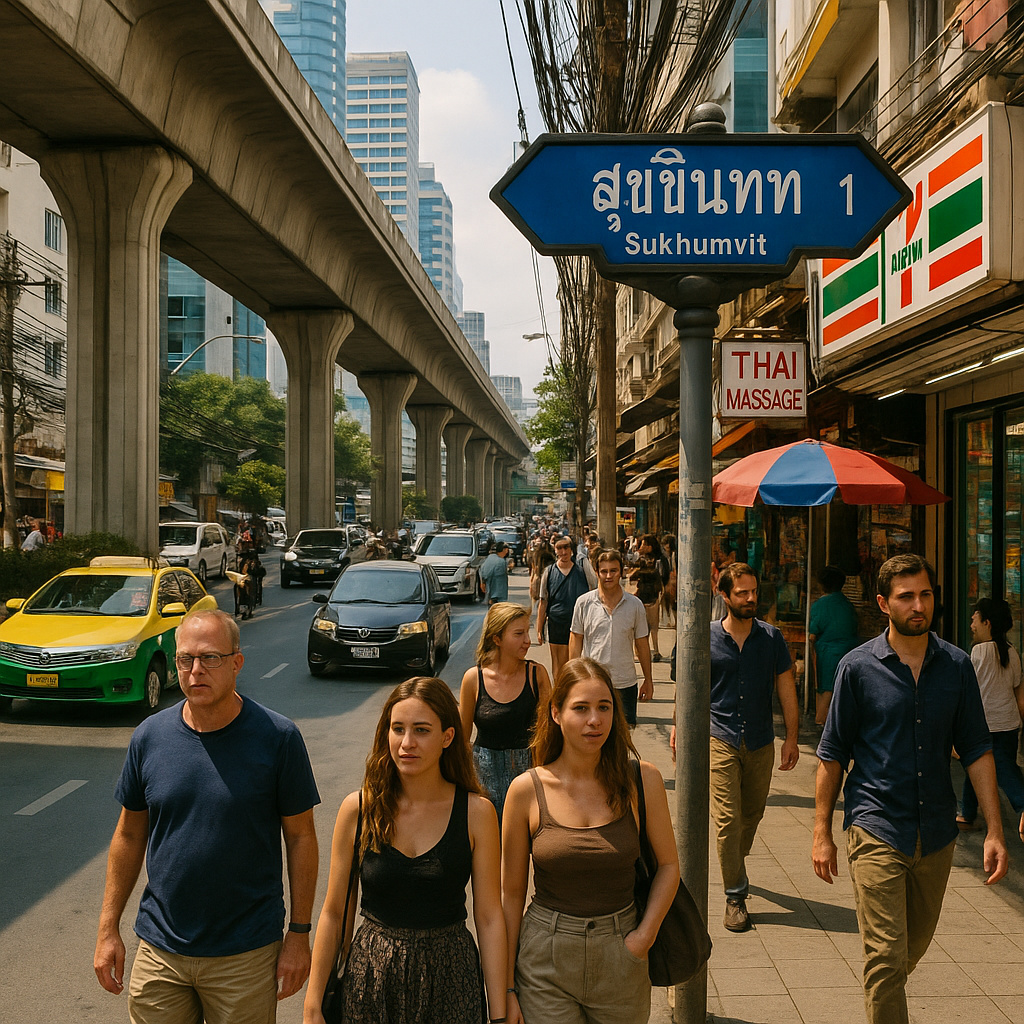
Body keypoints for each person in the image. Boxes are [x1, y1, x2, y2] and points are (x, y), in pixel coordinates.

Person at [94, 609, 320, 1022]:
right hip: (160, 952)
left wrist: (299, 936)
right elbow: (128, 836)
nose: (196, 670)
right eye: (185, 659)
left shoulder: (278, 738)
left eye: (210, 658)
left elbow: (302, 837)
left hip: (245, 955)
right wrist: (108, 929)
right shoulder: (150, 736)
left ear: (237, 662)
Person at [813, 554, 1009, 1024]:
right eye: (906, 597)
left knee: (907, 953)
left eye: (925, 595)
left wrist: (995, 831)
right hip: (876, 825)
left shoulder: (957, 666)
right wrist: (821, 831)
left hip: (937, 834)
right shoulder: (856, 668)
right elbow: (833, 753)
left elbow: (978, 748)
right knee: (884, 958)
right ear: (883, 603)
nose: (918, 605)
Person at [304, 677, 507, 1024]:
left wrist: (500, 1013)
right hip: (371, 979)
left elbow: (489, 918)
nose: (406, 743)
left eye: (421, 730)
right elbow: (334, 913)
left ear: (447, 737)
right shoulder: (359, 810)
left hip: (451, 980)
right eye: (397, 729)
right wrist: (312, 1006)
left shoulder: (476, 813)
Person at [501, 658, 679, 1024]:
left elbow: (668, 865)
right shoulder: (526, 791)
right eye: (580, 708)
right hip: (545, 955)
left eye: (604, 707)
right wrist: (505, 987)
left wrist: (643, 938)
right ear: (556, 713)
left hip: (622, 952)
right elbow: (511, 894)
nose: (594, 720)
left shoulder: (641, 780)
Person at [709, 562, 799, 932]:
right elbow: (692, 685)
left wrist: (792, 736)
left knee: (752, 815)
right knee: (728, 820)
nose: (750, 599)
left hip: (761, 739)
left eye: (753, 592)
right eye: (742, 592)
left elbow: (786, 687)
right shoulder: (706, 637)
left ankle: (735, 863)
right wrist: (680, 727)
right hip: (720, 736)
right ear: (724, 595)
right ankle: (735, 895)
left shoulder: (772, 638)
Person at [459, 603, 552, 824]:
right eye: (518, 634)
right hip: (484, 779)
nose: (527, 641)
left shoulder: (536, 675)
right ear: (496, 639)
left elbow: (549, 734)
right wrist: (467, 783)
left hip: (528, 775)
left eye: (527, 632)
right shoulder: (473, 679)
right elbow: (462, 740)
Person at [957, 597, 1024, 836]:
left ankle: (1023, 805)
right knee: (979, 766)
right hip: (1008, 724)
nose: (971, 625)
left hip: (984, 724)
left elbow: (965, 692)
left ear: (987, 622)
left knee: (1001, 769)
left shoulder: (978, 652)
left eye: (974, 619)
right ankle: (967, 813)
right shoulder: (1011, 652)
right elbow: (1019, 691)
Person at [568, 548, 653, 727]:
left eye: (613, 570)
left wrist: (648, 679)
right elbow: (575, 641)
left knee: (624, 736)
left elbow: (642, 644)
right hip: (593, 682)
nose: (608, 576)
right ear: (597, 572)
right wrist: (572, 680)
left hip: (625, 683)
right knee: (595, 735)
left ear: (621, 572)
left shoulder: (634, 605)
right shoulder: (584, 603)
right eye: (604, 571)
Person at [808, 565, 860, 726]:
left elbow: (813, 634)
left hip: (828, 652)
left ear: (821, 584)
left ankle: (821, 719)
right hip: (850, 649)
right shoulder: (847, 604)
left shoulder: (820, 605)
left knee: (826, 686)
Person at [537, 536, 593, 680]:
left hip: (579, 622)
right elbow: (543, 601)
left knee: (575, 662)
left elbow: (594, 591)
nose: (563, 551)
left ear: (571, 550)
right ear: (555, 551)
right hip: (556, 622)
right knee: (557, 662)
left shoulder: (582, 570)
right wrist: (539, 628)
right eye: (559, 548)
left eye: (566, 547)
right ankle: (559, 694)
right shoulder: (549, 572)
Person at [630, 534, 670, 662]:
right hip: (641, 594)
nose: (641, 547)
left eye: (644, 544)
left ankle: (656, 649)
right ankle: (640, 650)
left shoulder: (659, 560)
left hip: (653, 595)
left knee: (653, 625)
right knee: (641, 625)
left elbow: (664, 576)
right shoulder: (640, 559)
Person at [528, 537, 556, 618]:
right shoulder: (550, 556)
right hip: (549, 580)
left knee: (541, 602)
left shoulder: (536, 554)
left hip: (538, 579)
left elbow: (533, 570)